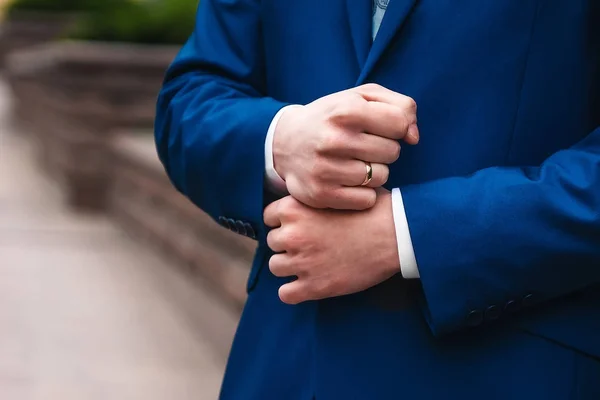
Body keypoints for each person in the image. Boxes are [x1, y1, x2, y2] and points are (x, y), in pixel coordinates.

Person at [155, 1, 600, 398]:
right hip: (283, 366)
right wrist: (279, 141)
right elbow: (189, 102)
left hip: (508, 369)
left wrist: (408, 234)